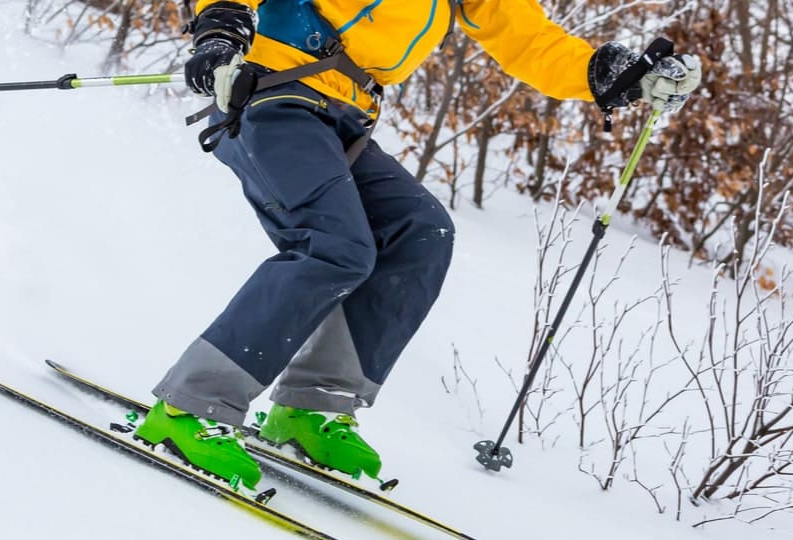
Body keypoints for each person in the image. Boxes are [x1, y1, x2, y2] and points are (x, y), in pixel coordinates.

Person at [134, 0, 702, 493]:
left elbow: (529, 40)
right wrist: (219, 31)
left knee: (420, 233)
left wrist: (613, 74)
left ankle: (311, 408)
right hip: (270, 94)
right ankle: (189, 409)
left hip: (342, 118)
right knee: (335, 245)